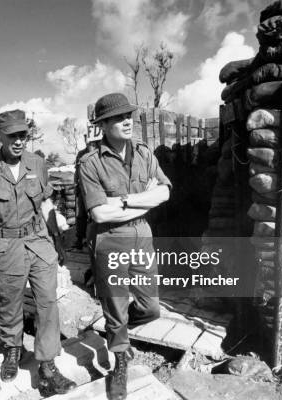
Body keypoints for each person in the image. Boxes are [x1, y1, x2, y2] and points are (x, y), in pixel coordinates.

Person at [0, 110, 76, 397]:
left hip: (39, 241)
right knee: (10, 303)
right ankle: (12, 349)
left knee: (47, 303)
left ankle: (48, 367)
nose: (18, 141)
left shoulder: (37, 164)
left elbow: (46, 205)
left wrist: (58, 242)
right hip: (5, 247)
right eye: (12, 135)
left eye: (22, 135)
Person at [78, 93, 171, 400]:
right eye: (118, 118)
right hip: (109, 238)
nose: (127, 121)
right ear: (102, 125)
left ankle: (118, 330)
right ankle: (120, 358)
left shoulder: (145, 153)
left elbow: (165, 192)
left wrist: (127, 201)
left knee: (151, 307)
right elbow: (100, 213)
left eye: (128, 115)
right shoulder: (90, 162)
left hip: (141, 234)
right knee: (116, 306)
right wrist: (146, 200)